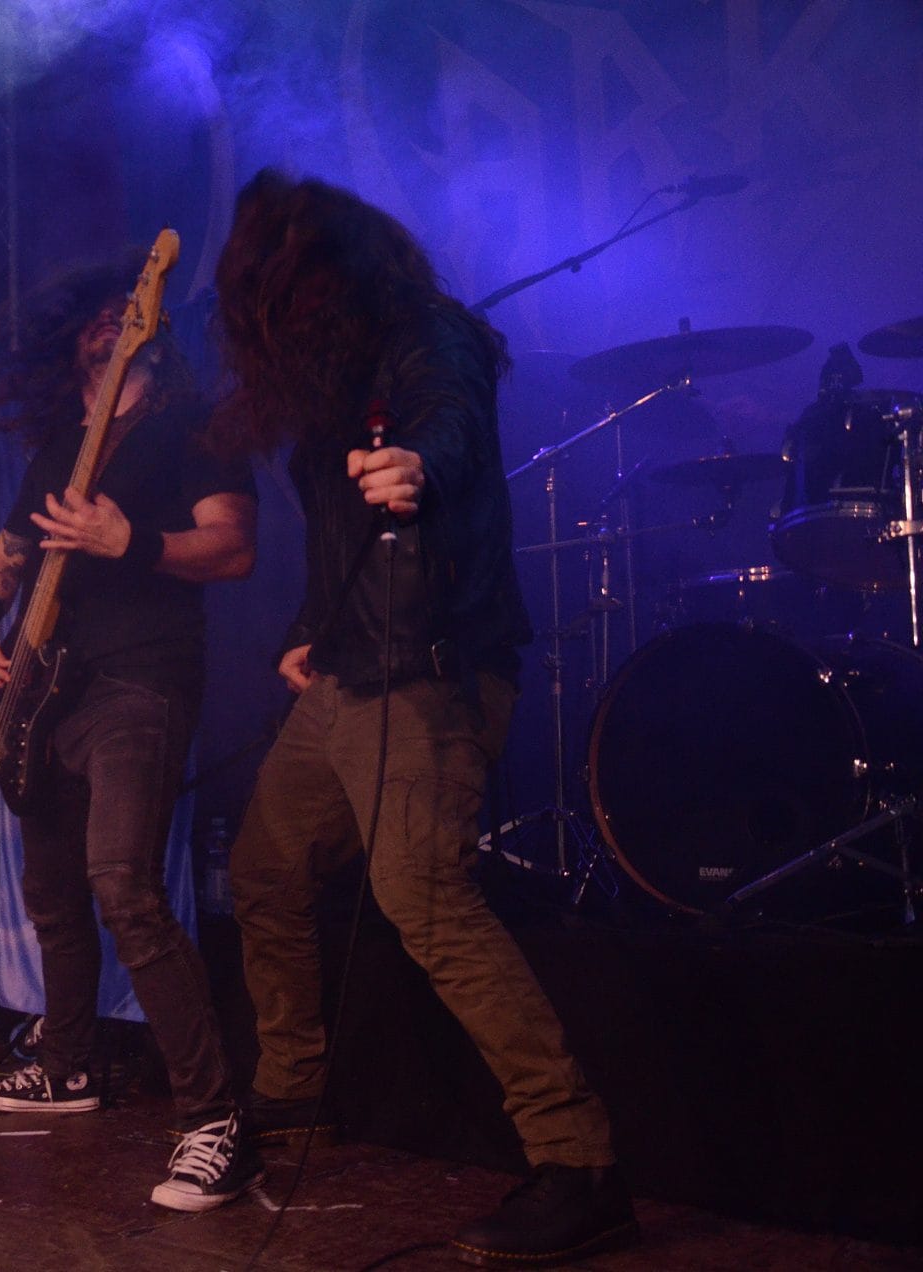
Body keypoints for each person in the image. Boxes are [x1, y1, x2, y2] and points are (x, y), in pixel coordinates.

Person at [210, 170, 635, 1267]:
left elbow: (445, 424)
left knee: (425, 898)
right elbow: (342, 538)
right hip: (350, 673)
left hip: (431, 678)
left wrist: (416, 465)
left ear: (324, 276)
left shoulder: (428, 334)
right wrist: (309, 627)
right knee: (264, 871)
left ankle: (579, 1163)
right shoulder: (337, 377)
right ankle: (292, 1093)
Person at [0, 258, 261, 1211]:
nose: (109, 318)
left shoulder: (194, 427)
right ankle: (67, 1068)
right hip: (50, 687)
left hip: (142, 679)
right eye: (93, 310)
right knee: (52, 895)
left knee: (123, 884)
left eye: (123, 308)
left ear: (152, 328)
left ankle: (215, 1119)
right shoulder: (61, 445)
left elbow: (234, 547)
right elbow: (7, 551)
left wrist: (136, 542)